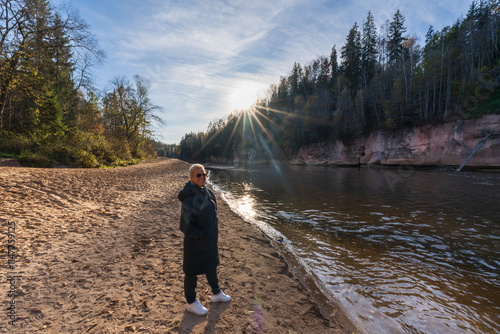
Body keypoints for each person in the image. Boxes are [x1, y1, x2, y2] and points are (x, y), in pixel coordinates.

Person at [178, 163, 231, 315]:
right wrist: (201, 235)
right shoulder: (190, 198)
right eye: (198, 175)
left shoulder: (206, 191)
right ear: (191, 178)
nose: (202, 177)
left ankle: (216, 293)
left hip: (210, 241)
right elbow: (185, 226)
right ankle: (191, 302)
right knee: (191, 272)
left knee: (211, 265)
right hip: (195, 243)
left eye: (204, 175)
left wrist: (211, 234)